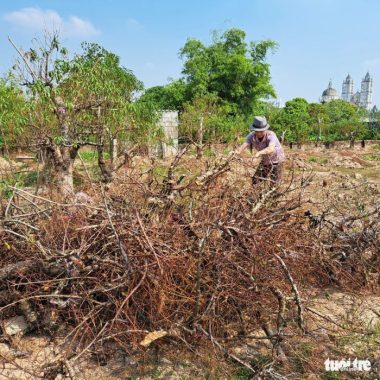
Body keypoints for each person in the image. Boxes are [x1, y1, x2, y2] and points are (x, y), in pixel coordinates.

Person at [232, 116, 285, 187]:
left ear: (266, 129)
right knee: (255, 180)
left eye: (261, 131)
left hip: (277, 161)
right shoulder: (251, 136)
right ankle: (257, 196)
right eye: (257, 131)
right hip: (265, 161)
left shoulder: (271, 135)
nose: (259, 133)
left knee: (274, 184)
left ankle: (271, 197)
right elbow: (244, 145)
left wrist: (259, 153)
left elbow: (271, 148)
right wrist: (236, 152)